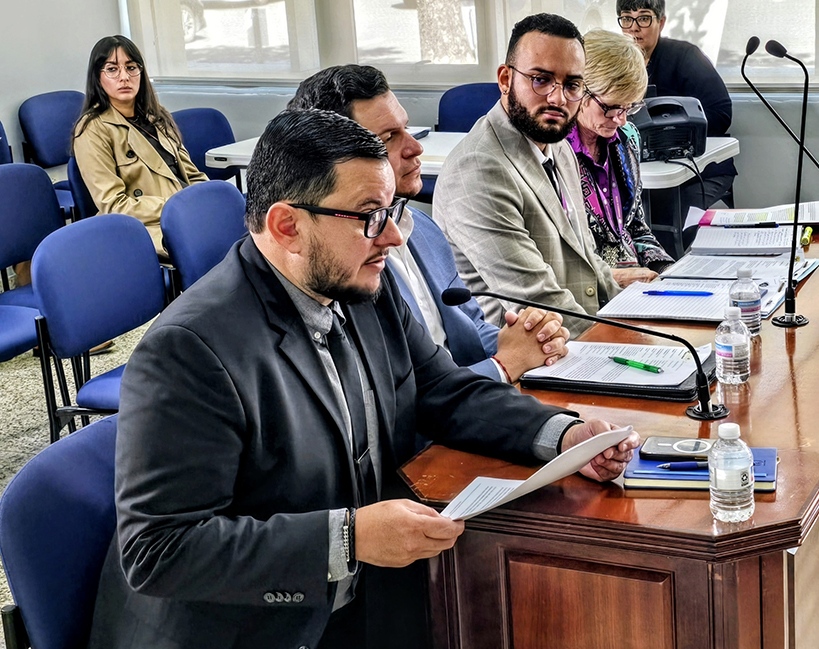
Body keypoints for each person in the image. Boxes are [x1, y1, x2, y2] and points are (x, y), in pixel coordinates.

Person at [86, 108, 639, 649]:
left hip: (365, 598)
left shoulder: (358, 284)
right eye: (370, 215)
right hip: (250, 625)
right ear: (288, 226)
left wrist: (564, 437)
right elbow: (159, 550)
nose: (394, 238)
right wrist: (347, 539)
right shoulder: (190, 350)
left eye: (393, 211)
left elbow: (445, 391)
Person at [288, 65, 570, 382]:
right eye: (389, 138)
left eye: (407, 129)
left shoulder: (421, 227)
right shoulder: (336, 265)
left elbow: (471, 327)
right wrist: (502, 367)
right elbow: (401, 391)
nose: (415, 147)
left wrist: (530, 339)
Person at [433, 14, 622, 339]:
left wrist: (642, 323)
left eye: (572, 85)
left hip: (581, 338)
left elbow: (592, 262)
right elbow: (537, 301)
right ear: (505, 79)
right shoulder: (478, 169)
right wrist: (625, 343)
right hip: (526, 356)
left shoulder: (558, 146)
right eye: (541, 79)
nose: (558, 98)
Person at [73, 35, 208, 257]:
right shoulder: (91, 129)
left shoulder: (157, 117)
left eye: (131, 67)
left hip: (186, 212)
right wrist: (178, 208)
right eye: (112, 69)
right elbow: (114, 205)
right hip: (147, 226)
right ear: (98, 77)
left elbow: (192, 175)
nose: (124, 77)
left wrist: (209, 200)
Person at [617, 0, 737, 244]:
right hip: (641, 173)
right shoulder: (616, 64)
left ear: (661, 22)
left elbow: (721, 113)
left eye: (644, 18)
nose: (634, 28)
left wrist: (672, 136)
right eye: (627, 18)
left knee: (670, 220)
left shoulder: (685, 56)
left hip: (699, 171)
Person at [568, 29, 673, 287]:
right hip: (585, 295)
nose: (622, 119)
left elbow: (636, 227)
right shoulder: (553, 152)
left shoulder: (627, 137)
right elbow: (557, 260)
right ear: (580, 91)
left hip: (635, 287)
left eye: (629, 107)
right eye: (612, 107)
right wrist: (614, 279)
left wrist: (669, 270)